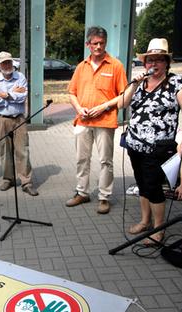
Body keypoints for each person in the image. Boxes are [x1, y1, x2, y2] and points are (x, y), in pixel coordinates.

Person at [118, 38, 182, 245]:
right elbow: (123, 103)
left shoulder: (178, 83)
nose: (154, 64)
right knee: (142, 184)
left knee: (153, 186)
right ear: (145, 63)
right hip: (134, 144)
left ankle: (159, 229)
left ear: (167, 63)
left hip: (158, 147)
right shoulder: (140, 83)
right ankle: (144, 221)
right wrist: (134, 83)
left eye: (159, 60)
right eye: (150, 60)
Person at [66, 26, 128, 214]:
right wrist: (79, 108)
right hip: (83, 121)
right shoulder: (81, 66)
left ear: (105, 43)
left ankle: (104, 197)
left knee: (105, 161)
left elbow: (125, 97)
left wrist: (104, 106)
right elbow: (71, 93)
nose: (99, 46)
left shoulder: (115, 65)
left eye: (102, 43)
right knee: (81, 159)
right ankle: (82, 192)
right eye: (95, 43)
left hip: (105, 122)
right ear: (88, 45)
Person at [0, 51, 38, 196]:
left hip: (19, 119)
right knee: (4, 151)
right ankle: (8, 179)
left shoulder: (20, 77)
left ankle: (26, 182)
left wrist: (6, 94)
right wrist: (13, 92)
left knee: (23, 150)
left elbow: (22, 97)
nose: (7, 65)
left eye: (9, 62)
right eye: (4, 62)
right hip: (1, 119)